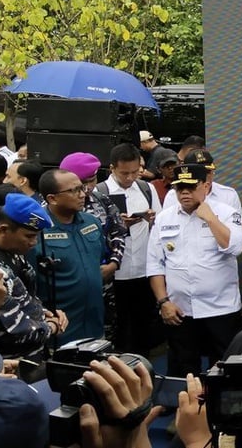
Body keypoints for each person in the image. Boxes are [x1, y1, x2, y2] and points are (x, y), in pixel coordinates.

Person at [147, 163, 242, 377]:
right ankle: (184, 408)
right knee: (183, 370)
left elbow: (236, 248)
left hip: (220, 309)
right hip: (181, 310)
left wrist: (210, 218)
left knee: (223, 371)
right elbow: (155, 264)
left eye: (190, 187)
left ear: (206, 186)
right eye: (179, 187)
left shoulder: (226, 213)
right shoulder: (165, 218)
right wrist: (163, 302)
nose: (184, 192)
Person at [93, 145, 164, 355]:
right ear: (113, 168)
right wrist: (120, 226)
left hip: (143, 268)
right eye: (125, 173)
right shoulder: (100, 192)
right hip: (116, 271)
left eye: (135, 172)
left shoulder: (145, 188)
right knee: (119, 326)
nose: (130, 177)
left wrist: (149, 218)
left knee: (144, 324)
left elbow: (159, 223)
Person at [28, 169, 107, 344]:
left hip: (95, 325)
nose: (82, 195)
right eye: (73, 191)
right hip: (60, 329)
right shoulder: (36, 232)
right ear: (52, 198)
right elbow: (28, 284)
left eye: (82, 188)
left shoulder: (92, 222)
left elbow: (98, 260)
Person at [61, 151, 129, 348]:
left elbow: (119, 231)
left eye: (93, 180)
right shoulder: (48, 209)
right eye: (84, 182)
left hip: (103, 284)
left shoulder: (101, 201)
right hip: (69, 289)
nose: (89, 187)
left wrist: (114, 263)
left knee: (106, 336)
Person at [0, 194, 68, 359]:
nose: (34, 243)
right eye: (29, 236)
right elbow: (16, 331)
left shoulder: (11, 250)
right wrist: (52, 326)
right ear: (3, 229)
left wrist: (44, 312)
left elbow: (24, 297)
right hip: (9, 364)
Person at [162, 149, 242, 213]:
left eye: (208, 172)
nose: (205, 176)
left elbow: (236, 231)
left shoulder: (228, 194)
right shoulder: (173, 196)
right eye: (199, 173)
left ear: (213, 171)